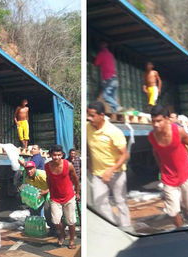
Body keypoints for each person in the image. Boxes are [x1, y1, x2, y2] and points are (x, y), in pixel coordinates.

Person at [147, 105, 188, 227]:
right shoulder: (152, 136)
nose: (156, 125)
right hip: (168, 178)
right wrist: (161, 168)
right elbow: (156, 152)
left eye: (159, 121)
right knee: (172, 211)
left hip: (185, 173)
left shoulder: (178, 131)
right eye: (153, 121)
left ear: (167, 119)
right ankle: (181, 231)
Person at [86, 101, 131, 230]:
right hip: (97, 174)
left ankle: (126, 229)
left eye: (93, 115)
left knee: (120, 202)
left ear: (101, 115)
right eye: (88, 114)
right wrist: (89, 164)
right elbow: (88, 147)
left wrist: (110, 171)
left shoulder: (113, 132)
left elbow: (125, 155)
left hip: (117, 173)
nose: (89, 118)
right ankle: (112, 228)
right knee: (100, 204)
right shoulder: (87, 128)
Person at [40, 145, 80, 249]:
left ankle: (71, 239)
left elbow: (75, 179)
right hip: (55, 197)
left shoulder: (69, 165)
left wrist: (77, 192)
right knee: (56, 220)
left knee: (71, 220)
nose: (56, 157)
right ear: (50, 155)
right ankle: (62, 234)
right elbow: (48, 179)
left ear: (62, 155)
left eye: (59, 155)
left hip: (68, 196)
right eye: (54, 155)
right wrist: (49, 190)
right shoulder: (47, 166)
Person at [23, 161, 55, 235]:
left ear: (35, 168)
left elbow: (54, 184)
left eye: (31, 169)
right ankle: (37, 227)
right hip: (40, 194)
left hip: (50, 192)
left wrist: (45, 192)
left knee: (48, 212)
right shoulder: (28, 178)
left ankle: (54, 229)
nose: (29, 171)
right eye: (27, 169)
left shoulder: (42, 174)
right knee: (34, 210)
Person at [94, 41, 123, 113]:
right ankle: (115, 112)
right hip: (115, 79)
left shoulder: (101, 54)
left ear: (100, 47)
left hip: (108, 79)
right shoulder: (110, 55)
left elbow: (96, 63)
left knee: (105, 96)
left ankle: (117, 106)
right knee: (112, 97)